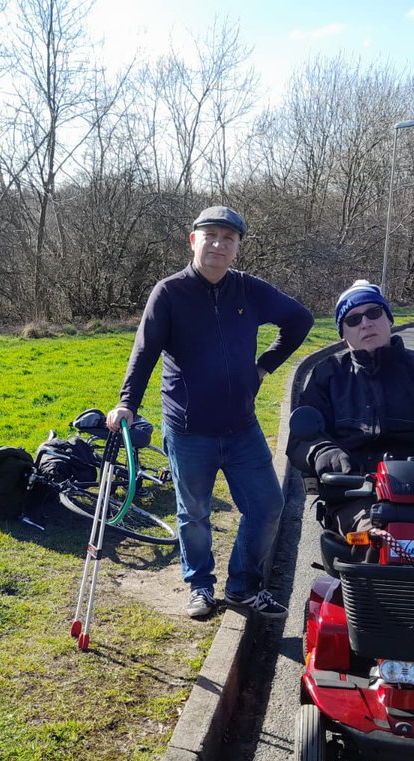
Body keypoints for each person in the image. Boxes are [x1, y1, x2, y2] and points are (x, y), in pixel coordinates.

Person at [107, 205, 314, 619]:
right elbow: (144, 352)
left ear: (237, 247)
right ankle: (200, 586)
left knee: (268, 506)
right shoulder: (169, 292)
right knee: (194, 514)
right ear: (194, 240)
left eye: (228, 238)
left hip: (242, 427)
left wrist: (264, 366)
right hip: (188, 430)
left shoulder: (249, 290)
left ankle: (241, 586)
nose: (219, 244)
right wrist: (127, 403)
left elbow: (300, 319)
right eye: (211, 235)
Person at [288, 280, 414, 549]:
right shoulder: (327, 376)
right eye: (353, 319)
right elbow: (305, 435)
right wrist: (325, 454)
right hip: (356, 494)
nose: (365, 323)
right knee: (372, 545)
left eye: (373, 313)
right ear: (343, 333)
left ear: (389, 319)